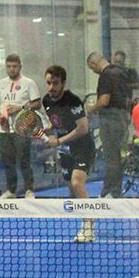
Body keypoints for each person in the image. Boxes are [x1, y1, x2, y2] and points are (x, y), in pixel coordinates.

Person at [42, 65, 97, 242]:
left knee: (77, 182)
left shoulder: (73, 100)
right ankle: (87, 212)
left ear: (63, 83)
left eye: (55, 83)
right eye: (49, 83)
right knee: (72, 188)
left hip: (83, 147)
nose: (51, 87)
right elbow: (56, 123)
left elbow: (83, 128)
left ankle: (89, 227)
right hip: (66, 150)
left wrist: (59, 140)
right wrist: (47, 132)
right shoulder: (46, 101)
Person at [0, 54, 40, 198]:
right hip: (4, 128)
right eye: (9, 66)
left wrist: (20, 108)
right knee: (7, 160)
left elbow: (37, 103)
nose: (11, 69)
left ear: (20, 67)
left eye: (14, 66)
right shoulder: (0, 83)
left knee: (24, 159)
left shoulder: (29, 83)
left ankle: (29, 189)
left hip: (22, 127)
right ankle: (11, 190)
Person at [87, 52, 132, 198]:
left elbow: (104, 100)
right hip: (123, 117)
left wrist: (91, 108)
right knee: (117, 157)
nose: (94, 72)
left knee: (111, 157)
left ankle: (108, 192)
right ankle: (116, 191)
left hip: (110, 119)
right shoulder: (121, 72)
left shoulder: (105, 76)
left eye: (92, 69)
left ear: (94, 64)